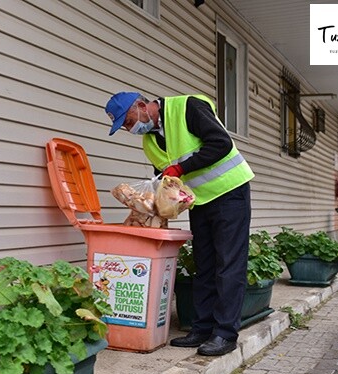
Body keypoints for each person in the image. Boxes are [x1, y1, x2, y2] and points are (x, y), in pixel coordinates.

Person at [104, 92, 254, 356]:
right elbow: (164, 177)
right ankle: (202, 329)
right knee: (204, 265)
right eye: (125, 127)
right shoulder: (150, 142)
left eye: (128, 122)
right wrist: (153, 202)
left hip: (230, 192)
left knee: (228, 264)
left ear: (141, 106)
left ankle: (225, 334)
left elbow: (221, 144)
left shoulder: (187, 108)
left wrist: (181, 169)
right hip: (199, 201)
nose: (130, 129)